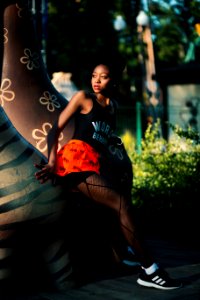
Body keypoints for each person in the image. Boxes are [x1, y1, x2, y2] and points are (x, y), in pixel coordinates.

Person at [34, 61, 182, 290]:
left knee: (119, 205)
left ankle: (119, 257)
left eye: (103, 77)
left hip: (95, 164)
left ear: (112, 80)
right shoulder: (83, 98)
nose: (96, 80)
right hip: (75, 160)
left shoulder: (113, 107)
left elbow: (106, 143)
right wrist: (52, 160)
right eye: (94, 75)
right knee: (121, 205)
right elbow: (56, 129)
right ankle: (150, 270)